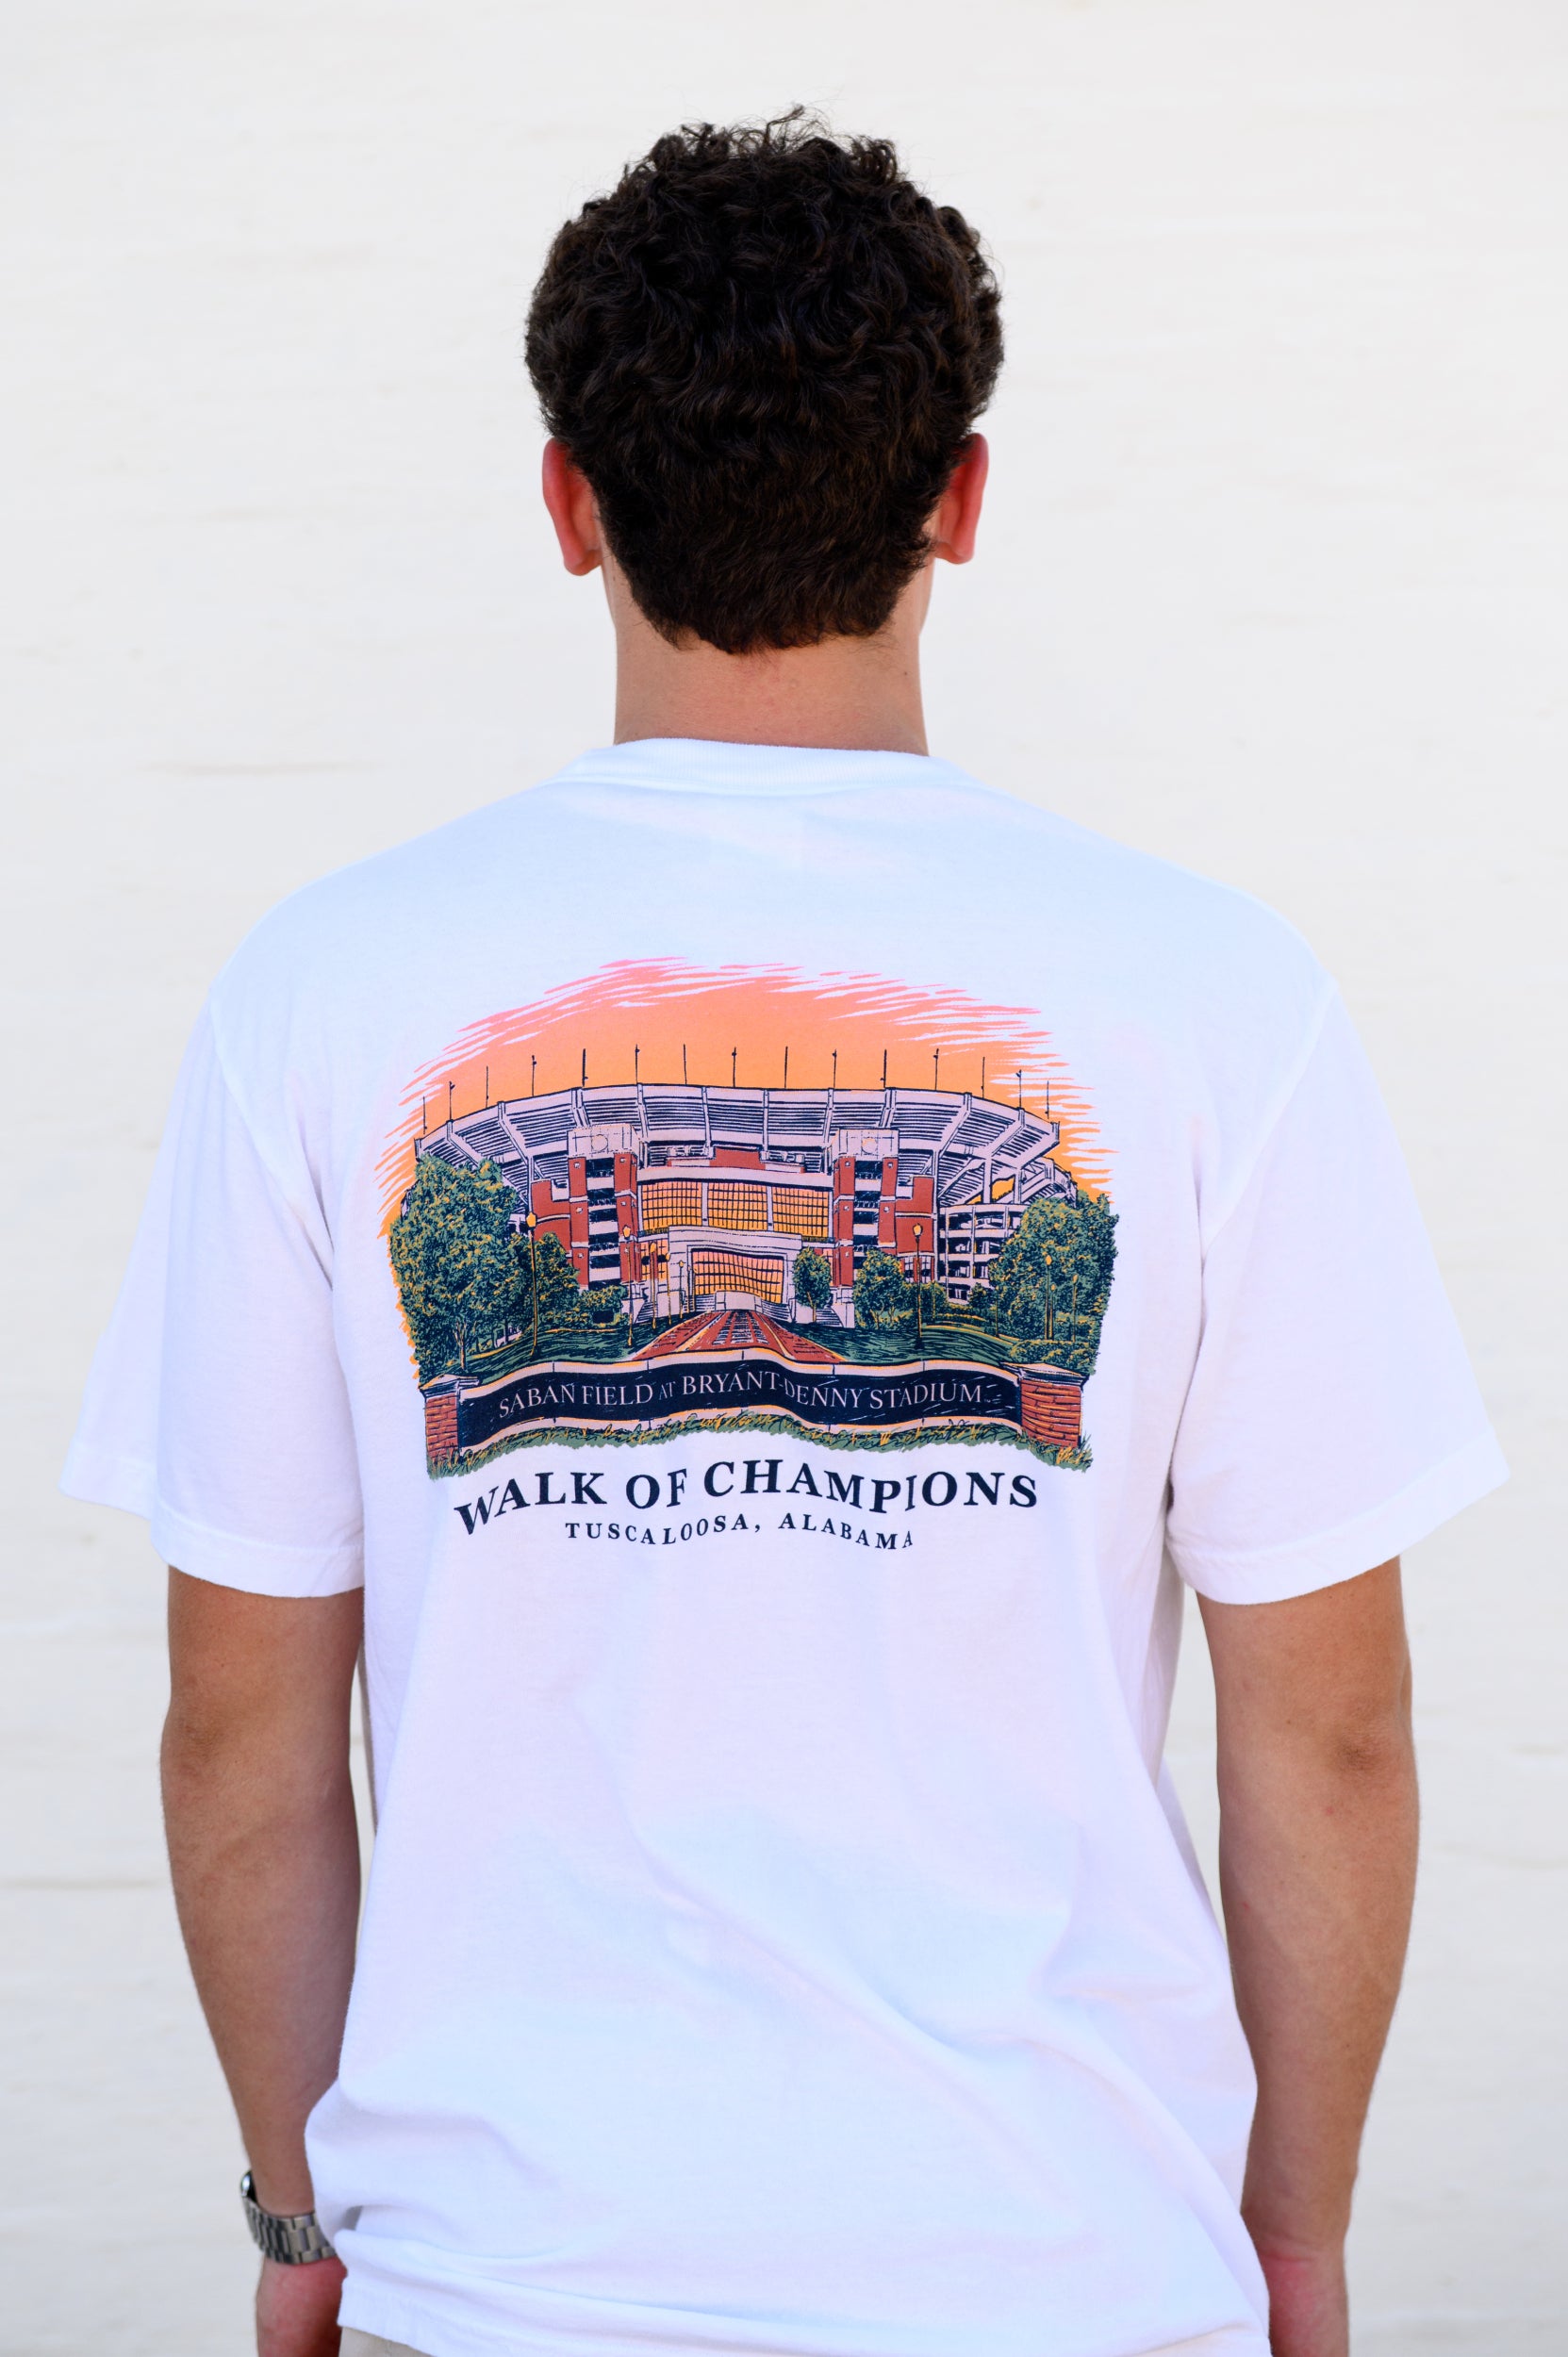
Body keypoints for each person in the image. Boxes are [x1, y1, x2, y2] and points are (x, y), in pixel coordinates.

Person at [64, 115, 1504, 2357]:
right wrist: (1293, 2230)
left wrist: (302, 2225)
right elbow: (1326, 1733)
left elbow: (240, 1731)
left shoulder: (319, 993)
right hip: (1077, 2271)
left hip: (512, 2280)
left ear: (565, 505)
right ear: (961, 498)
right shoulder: (1222, 997)